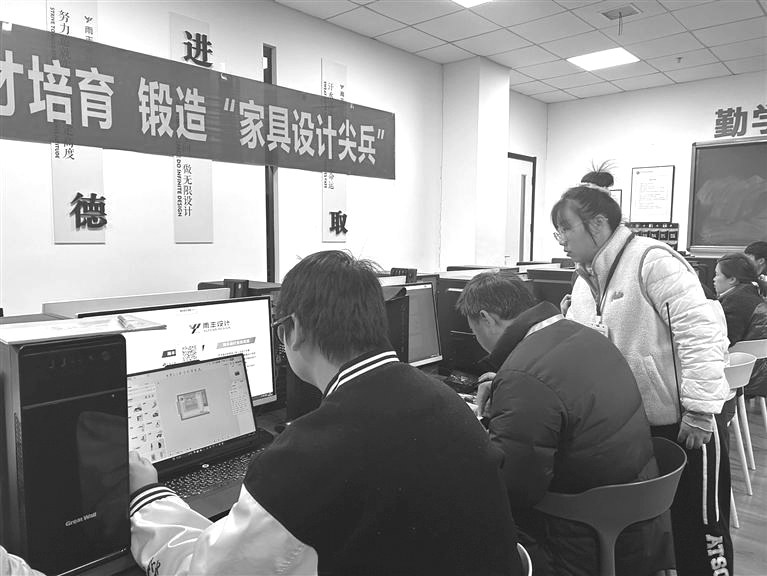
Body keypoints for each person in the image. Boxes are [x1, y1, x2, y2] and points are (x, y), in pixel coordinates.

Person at [129, 250, 522, 576]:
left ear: (293, 330)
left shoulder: (312, 453)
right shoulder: (442, 398)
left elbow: (207, 570)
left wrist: (146, 495)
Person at [554, 168, 731, 576]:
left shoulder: (652, 261)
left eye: (566, 228)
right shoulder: (583, 282)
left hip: (685, 424)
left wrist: (700, 409)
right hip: (630, 428)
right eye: (557, 231)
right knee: (657, 532)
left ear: (599, 224)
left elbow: (701, 333)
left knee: (700, 530)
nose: (561, 240)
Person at [456, 271, 673, 576]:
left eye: (474, 331)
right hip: (636, 521)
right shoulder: (584, 336)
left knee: (461, 514)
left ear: (486, 318)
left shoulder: (524, 377)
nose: (477, 341)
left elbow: (514, 490)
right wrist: (507, 388)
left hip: (579, 537)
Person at [714, 252, 767, 398]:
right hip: (757, 372)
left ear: (732, 279)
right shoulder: (751, 293)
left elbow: (724, 340)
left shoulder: (736, 301)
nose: (714, 279)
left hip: (744, 375)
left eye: (717, 275)